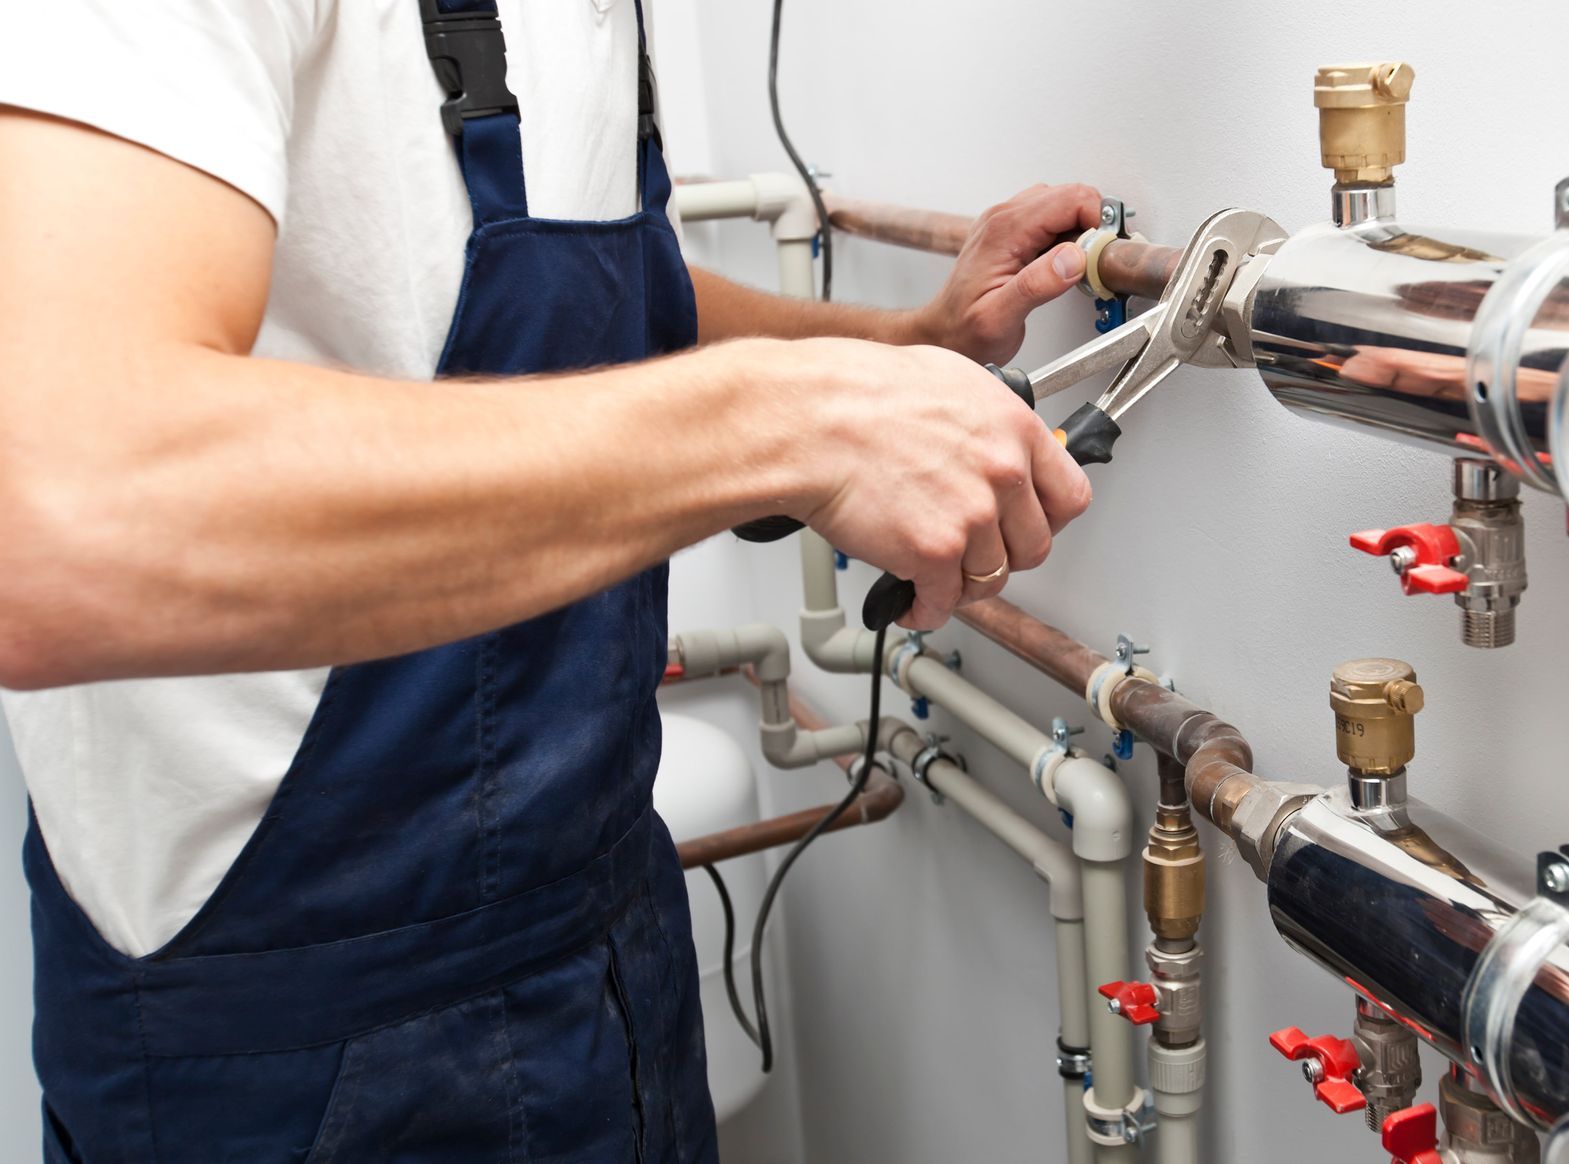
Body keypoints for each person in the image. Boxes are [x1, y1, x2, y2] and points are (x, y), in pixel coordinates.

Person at [0, 2, 1097, 1160]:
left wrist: (899, 351)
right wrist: (789, 427)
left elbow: (597, 311)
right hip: (300, 1044)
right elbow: (61, 515)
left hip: (605, 937)